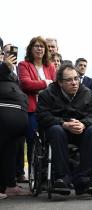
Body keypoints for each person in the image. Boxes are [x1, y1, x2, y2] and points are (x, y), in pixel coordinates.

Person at [36, 63, 92, 195]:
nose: (74, 83)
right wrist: (63, 124)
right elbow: (43, 117)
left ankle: (83, 177)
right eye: (69, 80)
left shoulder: (88, 94)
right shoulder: (47, 94)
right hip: (58, 132)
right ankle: (63, 177)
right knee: (56, 130)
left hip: (79, 131)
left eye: (76, 78)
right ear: (60, 82)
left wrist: (83, 124)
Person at [18, 36, 56, 166]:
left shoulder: (50, 67)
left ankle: (47, 172)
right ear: (31, 49)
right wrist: (46, 82)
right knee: (32, 141)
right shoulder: (24, 65)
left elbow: (55, 86)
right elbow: (25, 84)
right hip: (31, 110)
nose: (39, 49)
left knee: (49, 139)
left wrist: (40, 85)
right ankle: (34, 173)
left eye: (42, 46)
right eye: (36, 46)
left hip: (49, 109)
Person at [0, 41, 29, 198]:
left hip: (16, 117)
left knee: (10, 152)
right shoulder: (4, 67)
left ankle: (9, 184)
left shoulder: (11, 70)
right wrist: (5, 66)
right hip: (3, 114)